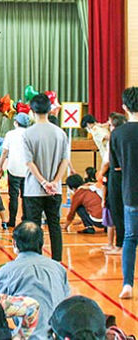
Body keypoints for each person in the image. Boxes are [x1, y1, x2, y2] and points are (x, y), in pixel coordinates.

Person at [0, 221, 70, 340]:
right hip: (57, 334)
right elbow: (65, 302)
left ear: (14, 243)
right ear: (42, 243)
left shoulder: (7, 271)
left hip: (26, 335)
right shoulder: (59, 268)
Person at [22, 94, 69, 262]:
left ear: (32, 110)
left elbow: (29, 162)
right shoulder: (60, 133)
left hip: (34, 189)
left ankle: (36, 261)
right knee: (54, 226)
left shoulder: (27, 134)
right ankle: (57, 261)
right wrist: (54, 182)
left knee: (34, 227)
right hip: (54, 190)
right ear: (50, 110)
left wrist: (42, 182)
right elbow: (65, 160)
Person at [110, 86, 138, 299]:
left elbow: (116, 166)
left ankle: (127, 284)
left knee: (130, 238)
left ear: (124, 107)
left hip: (131, 193)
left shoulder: (117, 133)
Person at [101, 112, 127, 255]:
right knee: (114, 208)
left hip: (117, 176)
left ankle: (120, 244)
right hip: (117, 175)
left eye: (110, 124)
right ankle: (116, 243)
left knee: (118, 210)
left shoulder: (116, 138)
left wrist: (100, 173)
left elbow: (108, 161)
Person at [0, 113, 30, 228]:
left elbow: (5, 152)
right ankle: (26, 219)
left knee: (13, 196)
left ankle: (12, 221)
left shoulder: (10, 134)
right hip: (28, 170)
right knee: (26, 196)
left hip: (13, 169)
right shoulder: (30, 134)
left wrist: (0, 166)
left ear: (16, 123)